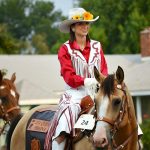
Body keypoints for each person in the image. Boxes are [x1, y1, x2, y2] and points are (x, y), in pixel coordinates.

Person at [44, 7, 108, 150]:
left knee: (119, 107)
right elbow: (68, 75)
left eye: (87, 23)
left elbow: (104, 68)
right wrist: (85, 81)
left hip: (97, 91)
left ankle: (136, 139)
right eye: (81, 24)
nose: (85, 27)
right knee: (65, 122)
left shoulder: (97, 46)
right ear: (72, 27)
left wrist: (102, 81)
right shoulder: (64, 49)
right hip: (74, 94)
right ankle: (58, 144)